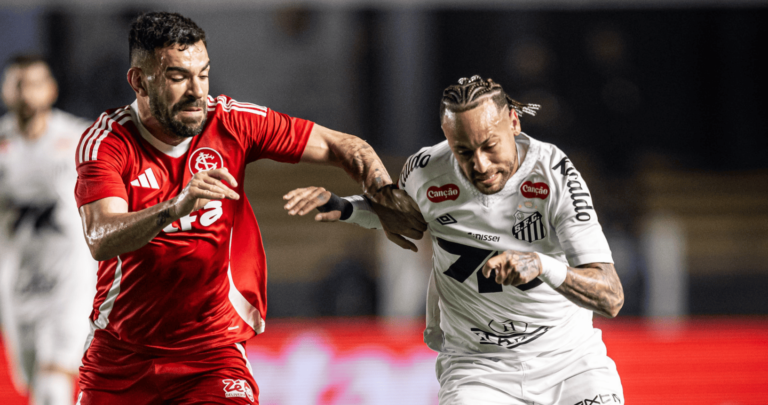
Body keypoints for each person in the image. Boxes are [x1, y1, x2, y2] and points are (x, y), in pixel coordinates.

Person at [72, 11, 423, 405]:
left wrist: (384, 193)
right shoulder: (107, 142)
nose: (196, 91)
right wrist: (177, 206)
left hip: (211, 355)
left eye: (202, 74)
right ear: (139, 81)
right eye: (177, 77)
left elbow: (345, 147)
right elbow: (101, 236)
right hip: (123, 359)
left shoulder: (231, 122)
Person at [284, 75, 625, 405]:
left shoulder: (556, 176)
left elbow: (610, 296)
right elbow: (407, 222)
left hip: (569, 362)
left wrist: (540, 265)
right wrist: (344, 207)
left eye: (490, 146)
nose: (480, 164)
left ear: (514, 122)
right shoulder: (425, 172)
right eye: (463, 151)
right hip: (478, 369)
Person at [0, 54, 97, 405]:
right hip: (18, 286)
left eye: (35, 84)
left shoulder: (79, 139)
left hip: (69, 285)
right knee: (33, 385)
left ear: (51, 90)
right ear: (6, 91)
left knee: (52, 386)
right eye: (19, 84)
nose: (27, 93)